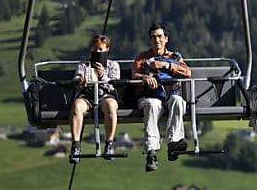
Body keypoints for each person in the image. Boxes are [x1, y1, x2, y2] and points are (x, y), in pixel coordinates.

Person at [132, 22, 192, 172]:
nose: (156, 40)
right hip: (150, 96)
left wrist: (166, 66)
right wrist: (145, 77)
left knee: (178, 101)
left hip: (170, 95)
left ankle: (173, 142)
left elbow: (187, 72)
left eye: (159, 36)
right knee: (153, 105)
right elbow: (135, 74)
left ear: (166, 39)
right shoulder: (143, 58)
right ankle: (151, 151)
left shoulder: (175, 56)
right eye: (153, 37)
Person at [69, 34, 121, 163]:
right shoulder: (84, 65)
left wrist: (102, 75)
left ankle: (109, 143)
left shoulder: (113, 65)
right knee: (77, 107)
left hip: (105, 95)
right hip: (88, 95)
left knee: (110, 106)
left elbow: (115, 82)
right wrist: (81, 80)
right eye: (95, 49)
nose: (97, 52)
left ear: (107, 50)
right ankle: (76, 144)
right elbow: (76, 78)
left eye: (100, 50)